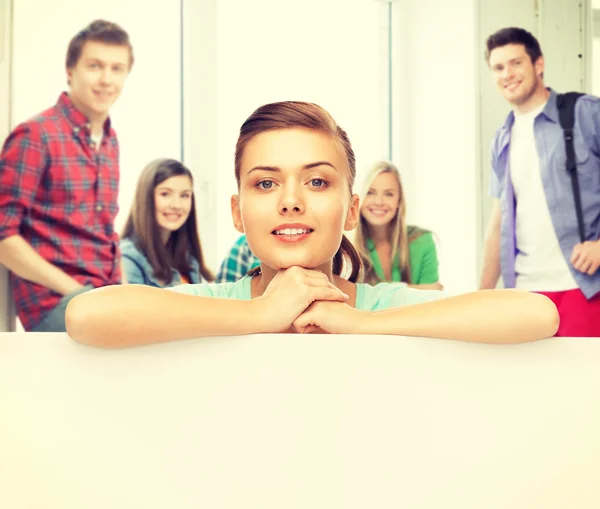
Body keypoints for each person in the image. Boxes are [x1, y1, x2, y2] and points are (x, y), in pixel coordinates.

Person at [66, 101, 559, 348]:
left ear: (351, 210)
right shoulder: (218, 306)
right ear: (238, 212)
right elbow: (86, 316)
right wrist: (261, 317)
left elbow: (537, 315)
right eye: (265, 184)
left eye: (318, 182)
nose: (291, 201)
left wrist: (363, 323)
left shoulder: (380, 306)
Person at [0, 19, 133, 332]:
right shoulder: (35, 135)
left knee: (171, 327)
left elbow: (105, 233)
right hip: (57, 302)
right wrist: (74, 291)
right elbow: (3, 236)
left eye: (117, 69)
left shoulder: (110, 141)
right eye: (95, 66)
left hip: (103, 296)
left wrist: (128, 292)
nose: (106, 79)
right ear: (70, 71)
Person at [480, 27, 600, 337]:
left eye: (516, 63)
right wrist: (481, 295)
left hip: (583, 287)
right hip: (525, 293)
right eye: (498, 67)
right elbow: (498, 223)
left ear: (538, 64)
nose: (508, 73)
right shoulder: (502, 139)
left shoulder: (584, 114)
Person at [120, 158, 214, 287]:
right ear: (145, 198)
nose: (177, 205)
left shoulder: (188, 259)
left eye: (184, 195)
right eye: (165, 194)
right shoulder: (128, 259)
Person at [354, 161, 442, 289]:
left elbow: (432, 300)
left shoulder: (422, 240)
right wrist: (416, 290)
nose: (379, 202)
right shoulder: (345, 247)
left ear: (399, 201)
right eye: (370, 193)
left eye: (388, 194)